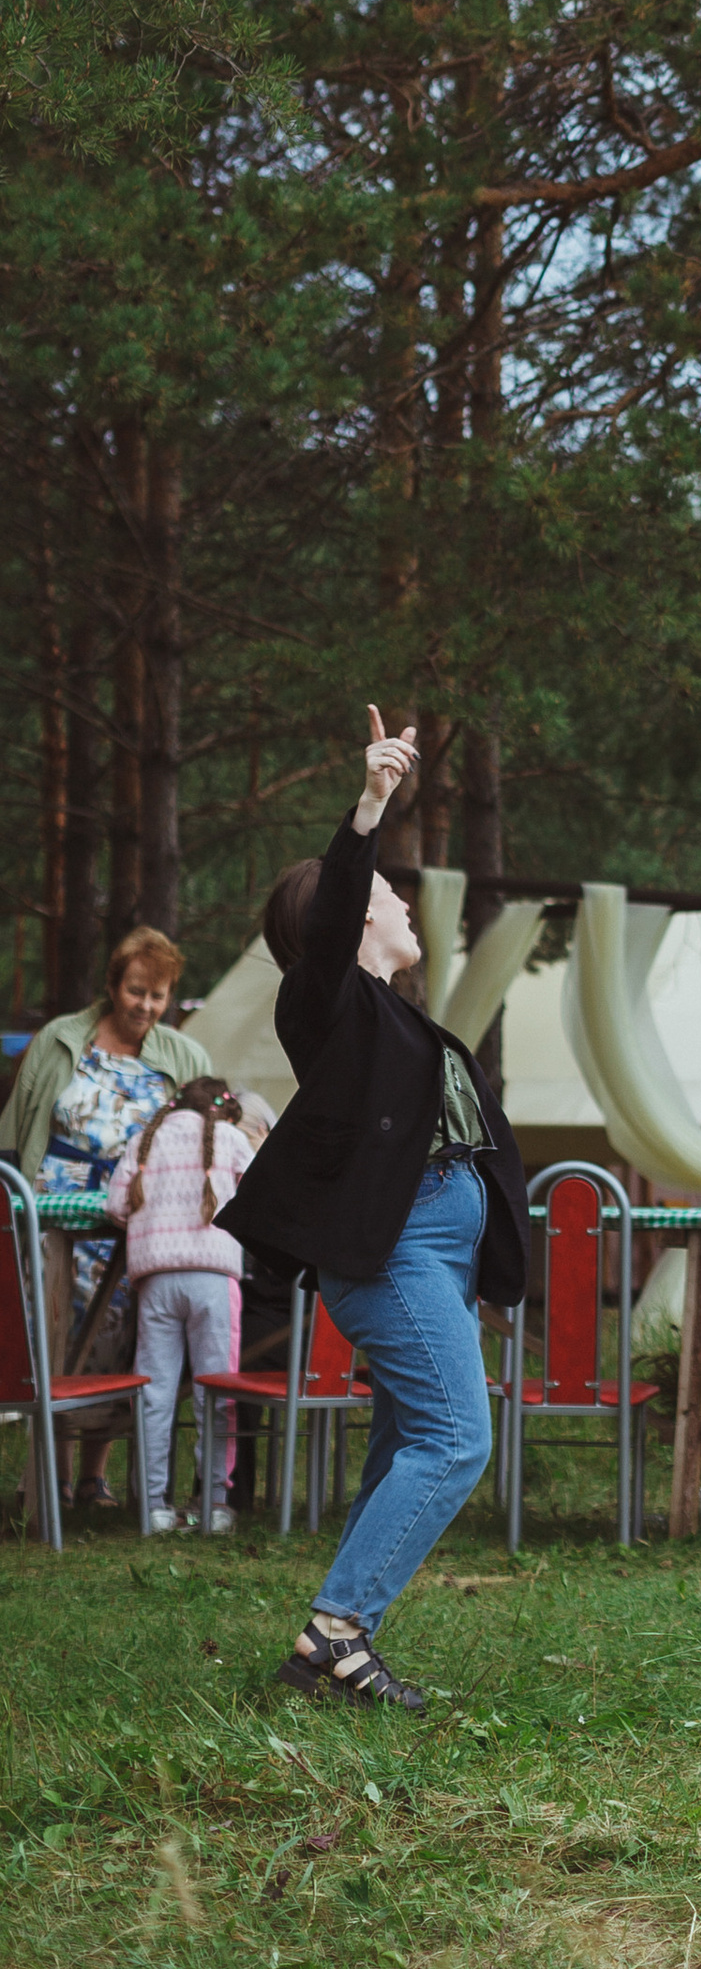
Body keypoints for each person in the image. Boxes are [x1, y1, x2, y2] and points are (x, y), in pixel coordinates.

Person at [226, 709, 531, 1712]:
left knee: (409, 1443)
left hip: (432, 1247)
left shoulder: (397, 1014)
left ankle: (348, 1646)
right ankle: (334, 1634)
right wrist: (369, 806)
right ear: (353, 917)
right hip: (393, 1251)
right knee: (456, 1440)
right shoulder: (325, 1003)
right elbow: (328, 926)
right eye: (392, 895)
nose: (405, 907)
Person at [9, 923, 212, 1512]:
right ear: (111, 985)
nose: (146, 1006)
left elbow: (206, 1132)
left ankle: (96, 1475)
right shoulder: (60, 1039)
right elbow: (19, 1121)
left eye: (158, 995)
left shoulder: (184, 1055)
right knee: (51, 1333)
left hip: (133, 1217)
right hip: (51, 1210)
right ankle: (55, 1471)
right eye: (136, 991)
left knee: (119, 1335)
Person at [105, 1077, 256, 1534]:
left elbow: (115, 1207)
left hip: (156, 1282)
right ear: (223, 1112)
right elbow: (259, 1196)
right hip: (213, 1280)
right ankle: (214, 1505)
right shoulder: (231, 1139)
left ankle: (154, 1506)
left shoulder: (143, 1142)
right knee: (217, 1391)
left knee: (155, 1394)